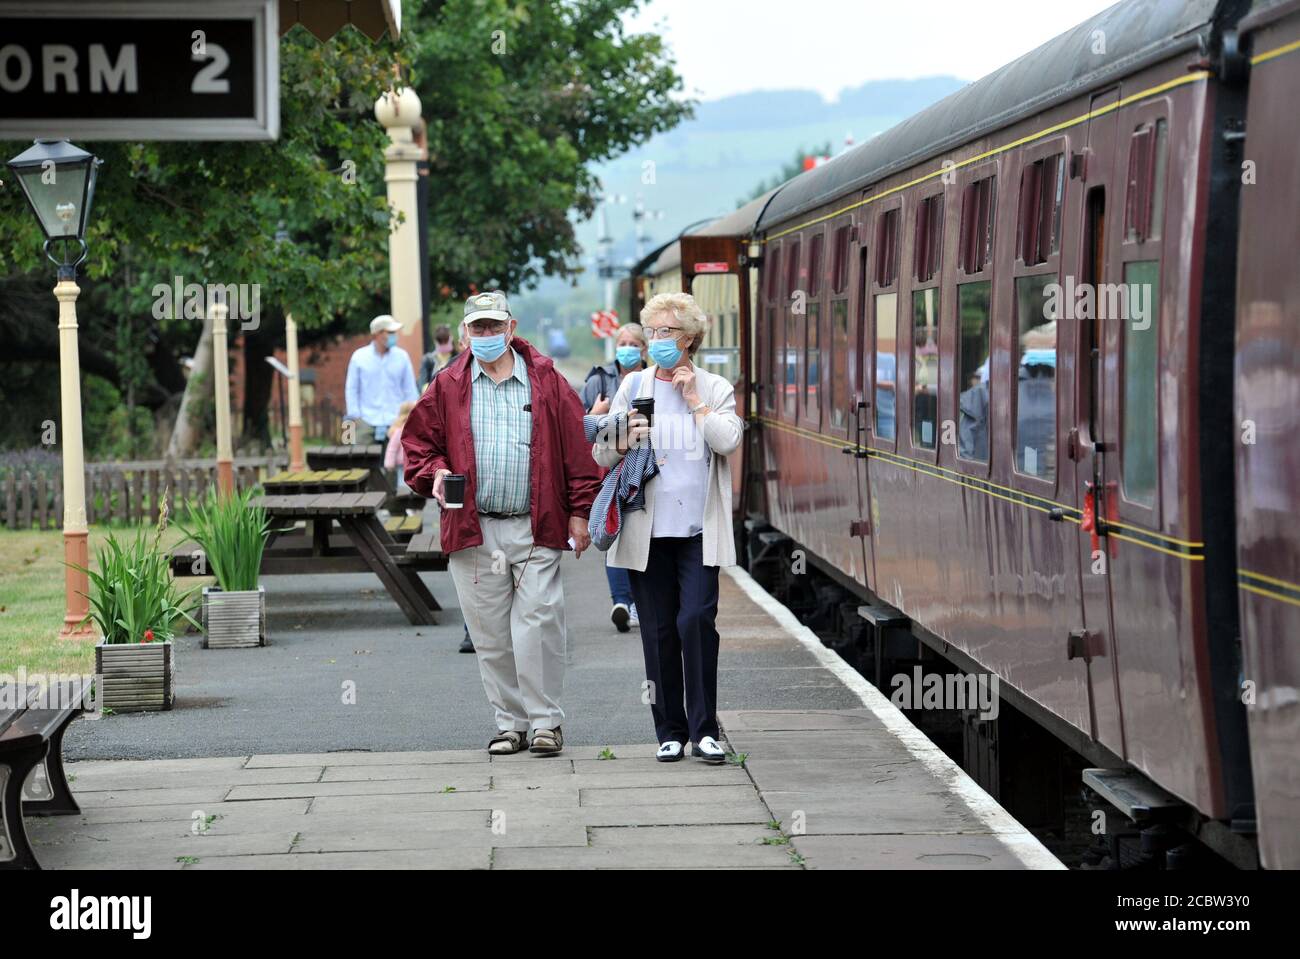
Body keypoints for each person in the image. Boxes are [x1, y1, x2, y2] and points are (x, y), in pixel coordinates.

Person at [403, 290, 600, 757]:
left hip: (536, 525)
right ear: (465, 332)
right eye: (478, 328)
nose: (487, 335)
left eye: (495, 327)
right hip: (473, 529)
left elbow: (577, 449)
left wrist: (580, 511)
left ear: (511, 328)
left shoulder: (546, 380)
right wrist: (434, 476)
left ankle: (546, 722)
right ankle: (510, 724)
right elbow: (418, 448)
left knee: (538, 624)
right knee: (490, 633)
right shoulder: (447, 384)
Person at [593, 292, 743, 764]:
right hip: (647, 529)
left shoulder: (714, 387)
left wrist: (694, 400)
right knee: (657, 631)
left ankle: (704, 730)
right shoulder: (634, 384)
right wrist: (621, 438)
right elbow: (601, 454)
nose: (657, 341)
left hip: (698, 531)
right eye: (652, 332)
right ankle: (670, 730)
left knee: (696, 620)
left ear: (691, 338)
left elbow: (728, 441)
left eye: (668, 333)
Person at [580, 323, 649, 634]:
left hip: (643, 469)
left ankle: (637, 601)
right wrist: (597, 414)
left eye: (634, 342)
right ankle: (621, 601)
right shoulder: (599, 379)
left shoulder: (653, 379)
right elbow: (581, 425)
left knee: (641, 536)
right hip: (607, 470)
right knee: (613, 530)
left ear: (643, 349)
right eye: (622, 342)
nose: (627, 347)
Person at [345, 315, 419, 443]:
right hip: (366, 421)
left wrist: (410, 417)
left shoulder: (402, 357)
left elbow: (410, 389)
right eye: (390, 332)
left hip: (396, 422)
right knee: (363, 461)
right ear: (377, 334)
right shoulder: (359, 357)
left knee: (395, 462)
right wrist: (355, 416)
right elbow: (351, 389)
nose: (394, 335)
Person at [384, 401, 417, 494]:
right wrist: (389, 463)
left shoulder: (417, 429)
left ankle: (413, 502)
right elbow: (392, 448)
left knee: (414, 482)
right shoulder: (400, 431)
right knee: (402, 482)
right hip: (402, 463)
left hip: (414, 462)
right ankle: (406, 500)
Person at [419, 323, 459, 390]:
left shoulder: (458, 358)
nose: (443, 344)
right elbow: (423, 385)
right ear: (435, 341)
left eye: (445, 341)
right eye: (440, 342)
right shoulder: (428, 360)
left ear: (450, 339)